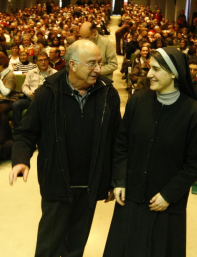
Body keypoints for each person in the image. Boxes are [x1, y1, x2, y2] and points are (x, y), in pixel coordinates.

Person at [10, 40, 121, 256]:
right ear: (73, 65)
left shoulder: (108, 94)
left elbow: (117, 140)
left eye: (100, 63)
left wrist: (113, 179)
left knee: (76, 246)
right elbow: (26, 132)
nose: (98, 69)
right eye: (92, 63)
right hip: (56, 183)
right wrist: (21, 159)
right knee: (49, 245)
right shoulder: (48, 93)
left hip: (89, 185)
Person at [104, 47, 197, 256]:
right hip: (131, 195)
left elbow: (195, 163)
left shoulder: (194, 113)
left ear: (173, 73)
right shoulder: (138, 101)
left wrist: (168, 195)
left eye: (155, 69)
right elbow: (122, 144)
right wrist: (119, 180)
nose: (149, 74)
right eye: (148, 68)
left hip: (165, 204)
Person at [12, 52, 57, 128]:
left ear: (48, 60)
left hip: (46, 101)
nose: (43, 62)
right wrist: (29, 92)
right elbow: (24, 86)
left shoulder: (54, 73)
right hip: (32, 98)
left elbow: (57, 89)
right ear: (36, 62)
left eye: (45, 59)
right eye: (40, 60)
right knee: (16, 105)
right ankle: (19, 131)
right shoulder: (31, 72)